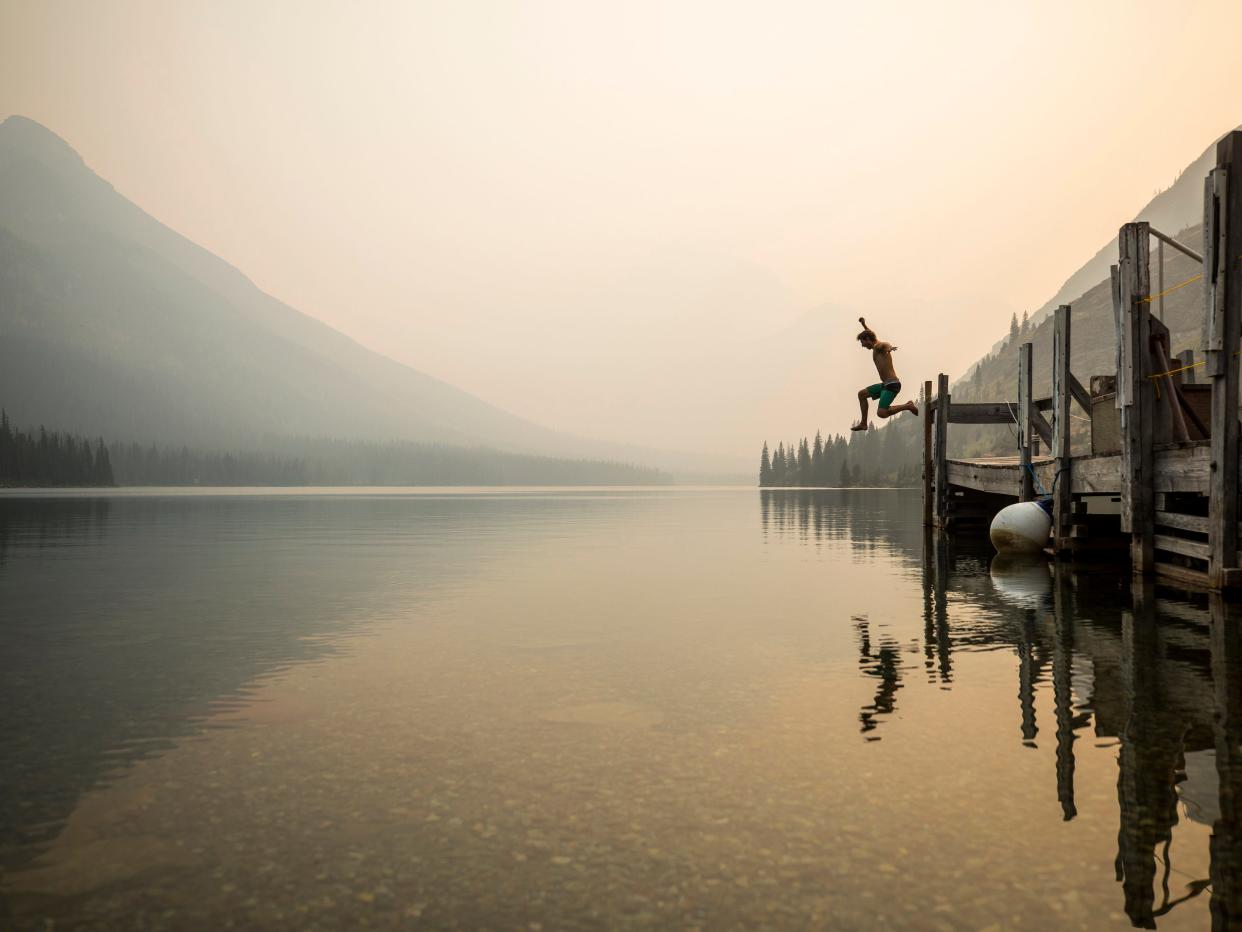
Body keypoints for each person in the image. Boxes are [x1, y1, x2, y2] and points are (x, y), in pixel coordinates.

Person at [852, 316, 918, 430]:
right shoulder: (874, 343)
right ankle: (863, 423)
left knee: (881, 413)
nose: (862, 345)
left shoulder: (878, 346)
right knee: (861, 394)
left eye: (862, 342)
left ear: (867, 339)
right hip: (885, 385)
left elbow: (885, 344)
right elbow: (872, 335)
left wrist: (889, 348)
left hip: (892, 385)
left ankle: (908, 406)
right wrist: (863, 324)